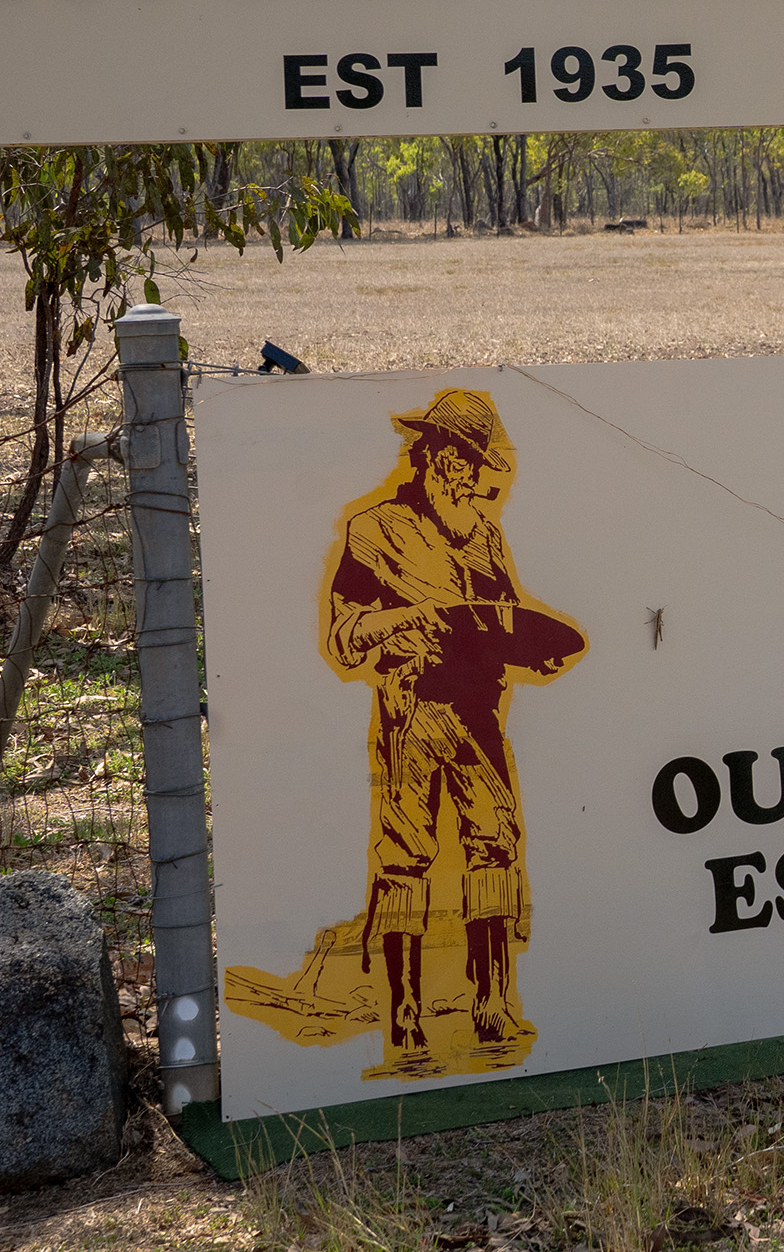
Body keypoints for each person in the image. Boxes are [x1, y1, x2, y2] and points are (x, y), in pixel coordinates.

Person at [323, 388, 585, 1080]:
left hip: (480, 717)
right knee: (404, 857)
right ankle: (404, 1015)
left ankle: (491, 1003)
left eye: (478, 461)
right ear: (433, 454)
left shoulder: (488, 536)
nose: (471, 474)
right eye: (462, 458)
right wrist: (400, 624)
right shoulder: (373, 529)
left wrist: (538, 649)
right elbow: (343, 637)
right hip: (411, 715)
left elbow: (504, 623)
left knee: (495, 847)